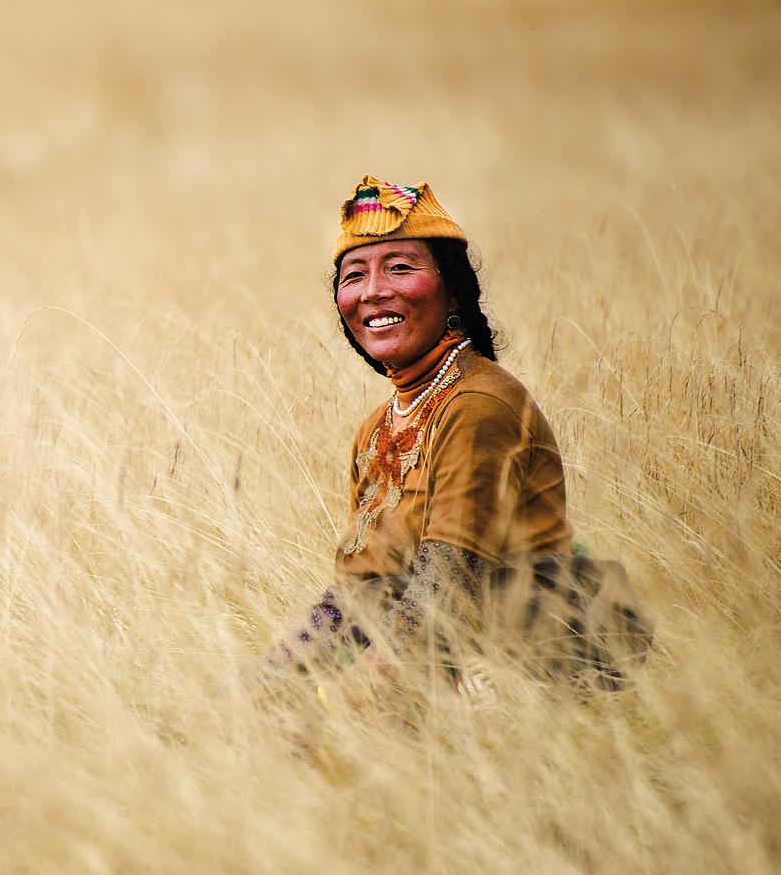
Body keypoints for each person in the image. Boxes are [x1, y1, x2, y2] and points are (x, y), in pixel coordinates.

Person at [268, 175, 652, 700]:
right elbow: (357, 597)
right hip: (428, 652)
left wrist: (340, 702)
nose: (374, 290)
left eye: (400, 267)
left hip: (529, 667)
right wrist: (271, 682)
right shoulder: (377, 427)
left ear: (452, 290)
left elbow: (444, 593)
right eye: (354, 274)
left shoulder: (477, 405)